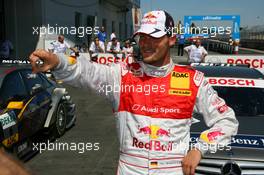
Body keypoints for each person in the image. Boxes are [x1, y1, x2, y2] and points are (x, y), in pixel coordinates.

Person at [29, 10, 238, 175]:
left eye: (154, 37)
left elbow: (227, 121)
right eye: (142, 37)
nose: (145, 44)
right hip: (130, 168)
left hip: (173, 169)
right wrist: (58, 62)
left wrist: (199, 148)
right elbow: (87, 71)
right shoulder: (122, 75)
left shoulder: (193, 80)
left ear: (172, 40)